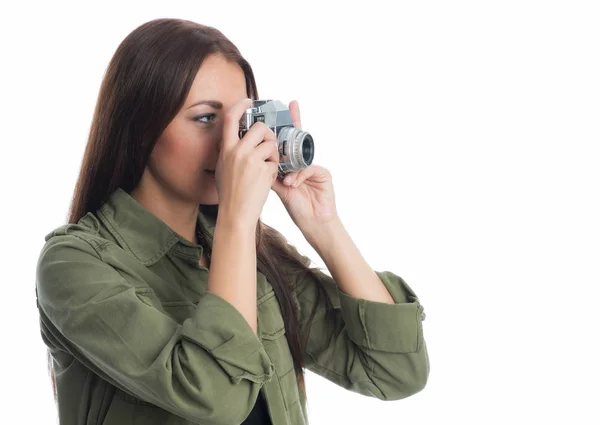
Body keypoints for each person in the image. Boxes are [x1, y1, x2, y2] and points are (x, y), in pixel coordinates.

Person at [35, 18, 429, 425]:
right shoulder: (74, 264)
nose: (232, 142)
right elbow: (218, 398)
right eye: (206, 118)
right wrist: (238, 221)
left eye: (241, 120)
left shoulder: (257, 253)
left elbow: (396, 371)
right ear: (140, 130)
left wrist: (324, 227)